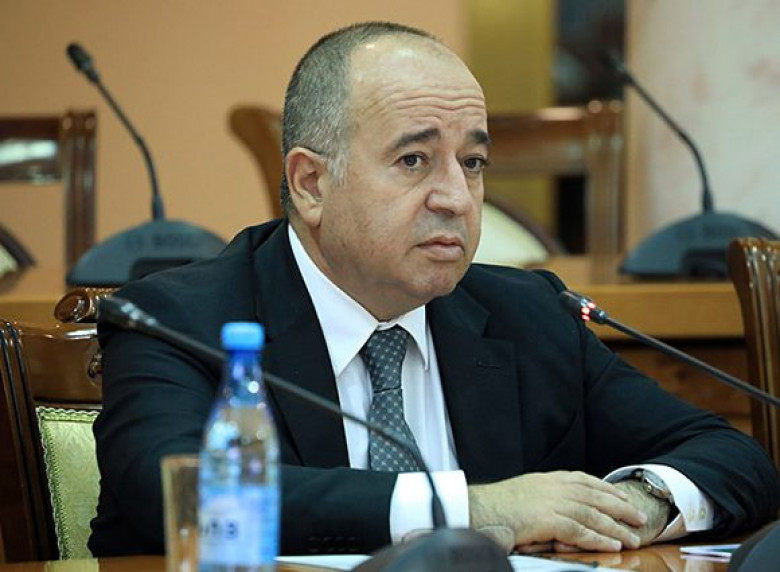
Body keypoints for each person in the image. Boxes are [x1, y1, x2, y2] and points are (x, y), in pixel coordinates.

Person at [89, 21, 779, 557]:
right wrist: (476, 509)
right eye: (414, 159)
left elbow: (732, 456)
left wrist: (637, 504)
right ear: (310, 183)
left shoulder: (529, 315)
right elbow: (183, 495)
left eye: (472, 162)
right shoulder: (175, 321)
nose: (456, 197)